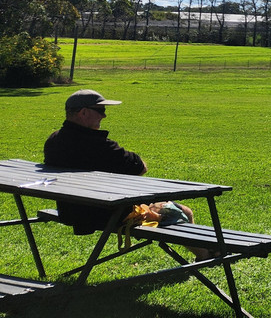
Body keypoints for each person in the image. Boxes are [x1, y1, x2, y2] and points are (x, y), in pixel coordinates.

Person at [43, 89, 193, 235]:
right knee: (182, 212)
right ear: (83, 112)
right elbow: (140, 168)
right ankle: (205, 255)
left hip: (69, 212)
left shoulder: (53, 141)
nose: (104, 115)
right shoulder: (100, 146)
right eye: (100, 110)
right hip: (107, 214)